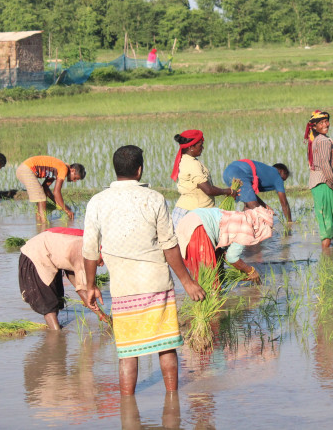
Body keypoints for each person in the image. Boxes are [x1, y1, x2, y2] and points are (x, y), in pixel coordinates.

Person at [81, 145, 205, 396]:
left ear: (116, 170)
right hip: (156, 283)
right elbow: (169, 245)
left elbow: (90, 249)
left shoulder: (98, 202)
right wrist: (188, 282)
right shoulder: (155, 199)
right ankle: (172, 402)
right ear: (139, 170)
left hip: (123, 287)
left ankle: (128, 407)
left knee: (128, 353)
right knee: (167, 347)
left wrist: (91, 285)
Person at [19, 227, 109, 330]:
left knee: (56, 298)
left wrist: (88, 289)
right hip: (36, 255)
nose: (102, 265)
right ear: (96, 255)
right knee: (49, 303)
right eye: (101, 260)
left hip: (49, 253)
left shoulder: (89, 245)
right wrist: (103, 316)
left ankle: (54, 331)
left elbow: (73, 274)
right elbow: (82, 291)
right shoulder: (84, 254)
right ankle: (56, 335)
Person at [175, 206, 274, 284]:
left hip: (188, 220)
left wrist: (238, 274)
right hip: (199, 228)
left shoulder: (238, 216)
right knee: (210, 283)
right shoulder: (246, 227)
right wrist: (251, 271)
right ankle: (213, 307)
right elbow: (232, 258)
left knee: (203, 276)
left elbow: (224, 254)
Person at [170, 130, 235, 227]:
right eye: (200, 145)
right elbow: (208, 189)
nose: (203, 148)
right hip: (193, 213)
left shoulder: (188, 160)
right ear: (191, 147)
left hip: (190, 210)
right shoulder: (192, 164)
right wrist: (228, 191)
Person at [306, 110, 333, 251]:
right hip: (325, 184)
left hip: (325, 184)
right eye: (321, 123)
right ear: (314, 126)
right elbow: (325, 166)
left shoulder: (319, 139)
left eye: (326, 121)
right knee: (328, 224)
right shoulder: (322, 141)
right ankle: (327, 259)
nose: (326, 124)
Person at [16, 155, 85, 223]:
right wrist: (66, 210)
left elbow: (45, 188)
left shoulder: (57, 168)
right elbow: (56, 192)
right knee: (41, 197)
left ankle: (39, 222)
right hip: (26, 170)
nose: (75, 181)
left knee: (41, 194)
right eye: (75, 178)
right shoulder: (63, 168)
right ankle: (44, 223)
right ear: (72, 170)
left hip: (23, 169)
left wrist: (60, 205)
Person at [222, 160, 293, 223]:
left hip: (227, 172)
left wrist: (265, 206)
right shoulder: (277, 176)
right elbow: (284, 203)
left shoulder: (265, 171)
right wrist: (289, 223)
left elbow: (250, 195)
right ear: (281, 171)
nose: (281, 182)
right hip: (239, 172)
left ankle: (241, 228)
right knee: (259, 212)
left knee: (249, 207)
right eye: (283, 179)